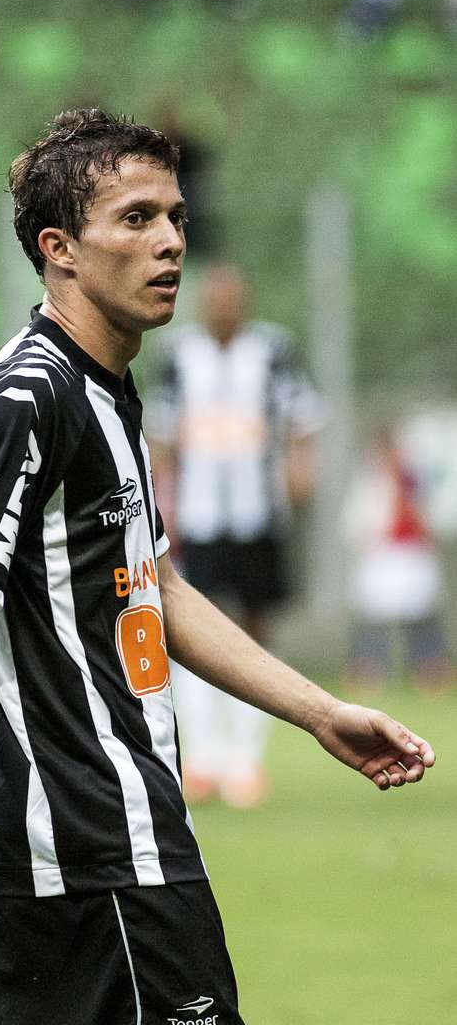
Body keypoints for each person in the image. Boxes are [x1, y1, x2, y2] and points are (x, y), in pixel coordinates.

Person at [0, 110, 435, 1025]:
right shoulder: (32, 397)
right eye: (137, 218)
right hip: (86, 816)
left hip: (25, 824)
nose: (171, 243)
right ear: (58, 250)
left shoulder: (107, 390)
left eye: (176, 217)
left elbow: (153, 584)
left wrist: (318, 711)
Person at [150, 264, 324, 807]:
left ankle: (245, 759)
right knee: (188, 626)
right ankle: (203, 756)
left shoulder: (272, 350)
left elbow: (301, 418)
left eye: (233, 299)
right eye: (216, 299)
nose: (224, 308)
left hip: (257, 511)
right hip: (199, 513)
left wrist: (299, 467)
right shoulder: (180, 354)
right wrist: (162, 500)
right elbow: (162, 432)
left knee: (254, 623)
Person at [343, 423, 452, 691]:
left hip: (413, 554)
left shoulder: (417, 481)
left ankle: (431, 673)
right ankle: (368, 672)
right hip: (383, 555)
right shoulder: (370, 481)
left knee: (421, 616)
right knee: (373, 619)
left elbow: (433, 519)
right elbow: (357, 522)